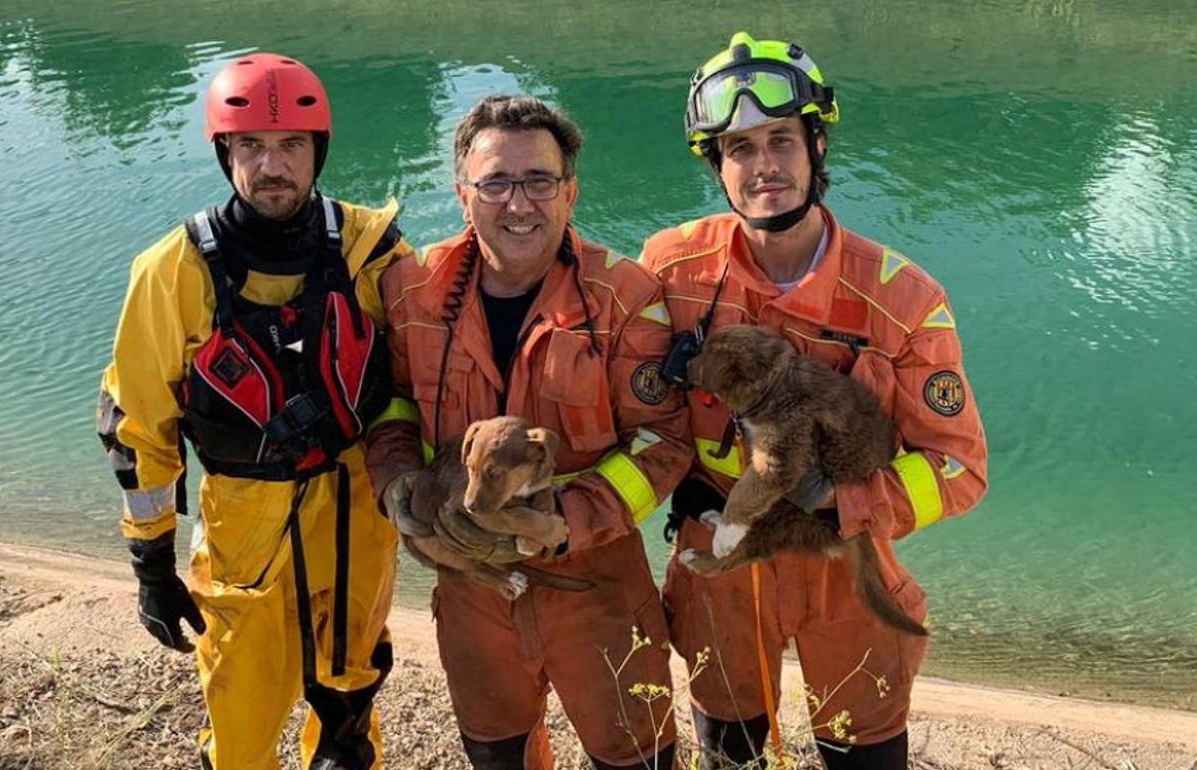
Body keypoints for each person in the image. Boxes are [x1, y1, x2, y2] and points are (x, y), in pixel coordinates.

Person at [640, 32, 988, 770]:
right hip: (720, 558)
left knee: (862, 754)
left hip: (848, 567)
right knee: (728, 750)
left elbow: (959, 469)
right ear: (717, 165)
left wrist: (842, 503)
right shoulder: (669, 268)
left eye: (781, 140)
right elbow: (636, 413)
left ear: (817, 147)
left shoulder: (903, 297)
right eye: (738, 148)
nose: (763, 164)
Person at [96, 52, 413, 770]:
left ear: (318, 152)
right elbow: (140, 426)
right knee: (239, 732)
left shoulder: (372, 250)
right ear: (224, 154)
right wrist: (151, 561)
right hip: (246, 536)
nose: (273, 167)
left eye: (292, 146)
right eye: (251, 148)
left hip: (359, 526)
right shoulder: (171, 273)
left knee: (350, 729)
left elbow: (425, 376)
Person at [365, 95, 692, 770]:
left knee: (638, 758)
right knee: (495, 754)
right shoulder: (412, 290)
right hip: (469, 583)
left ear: (569, 193)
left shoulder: (624, 297)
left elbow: (665, 440)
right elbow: (391, 401)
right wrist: (397, 486)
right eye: (496, 183)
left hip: (596, 586)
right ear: (463, 195)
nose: (519, 204)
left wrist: (566, 521)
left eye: (539, 182)